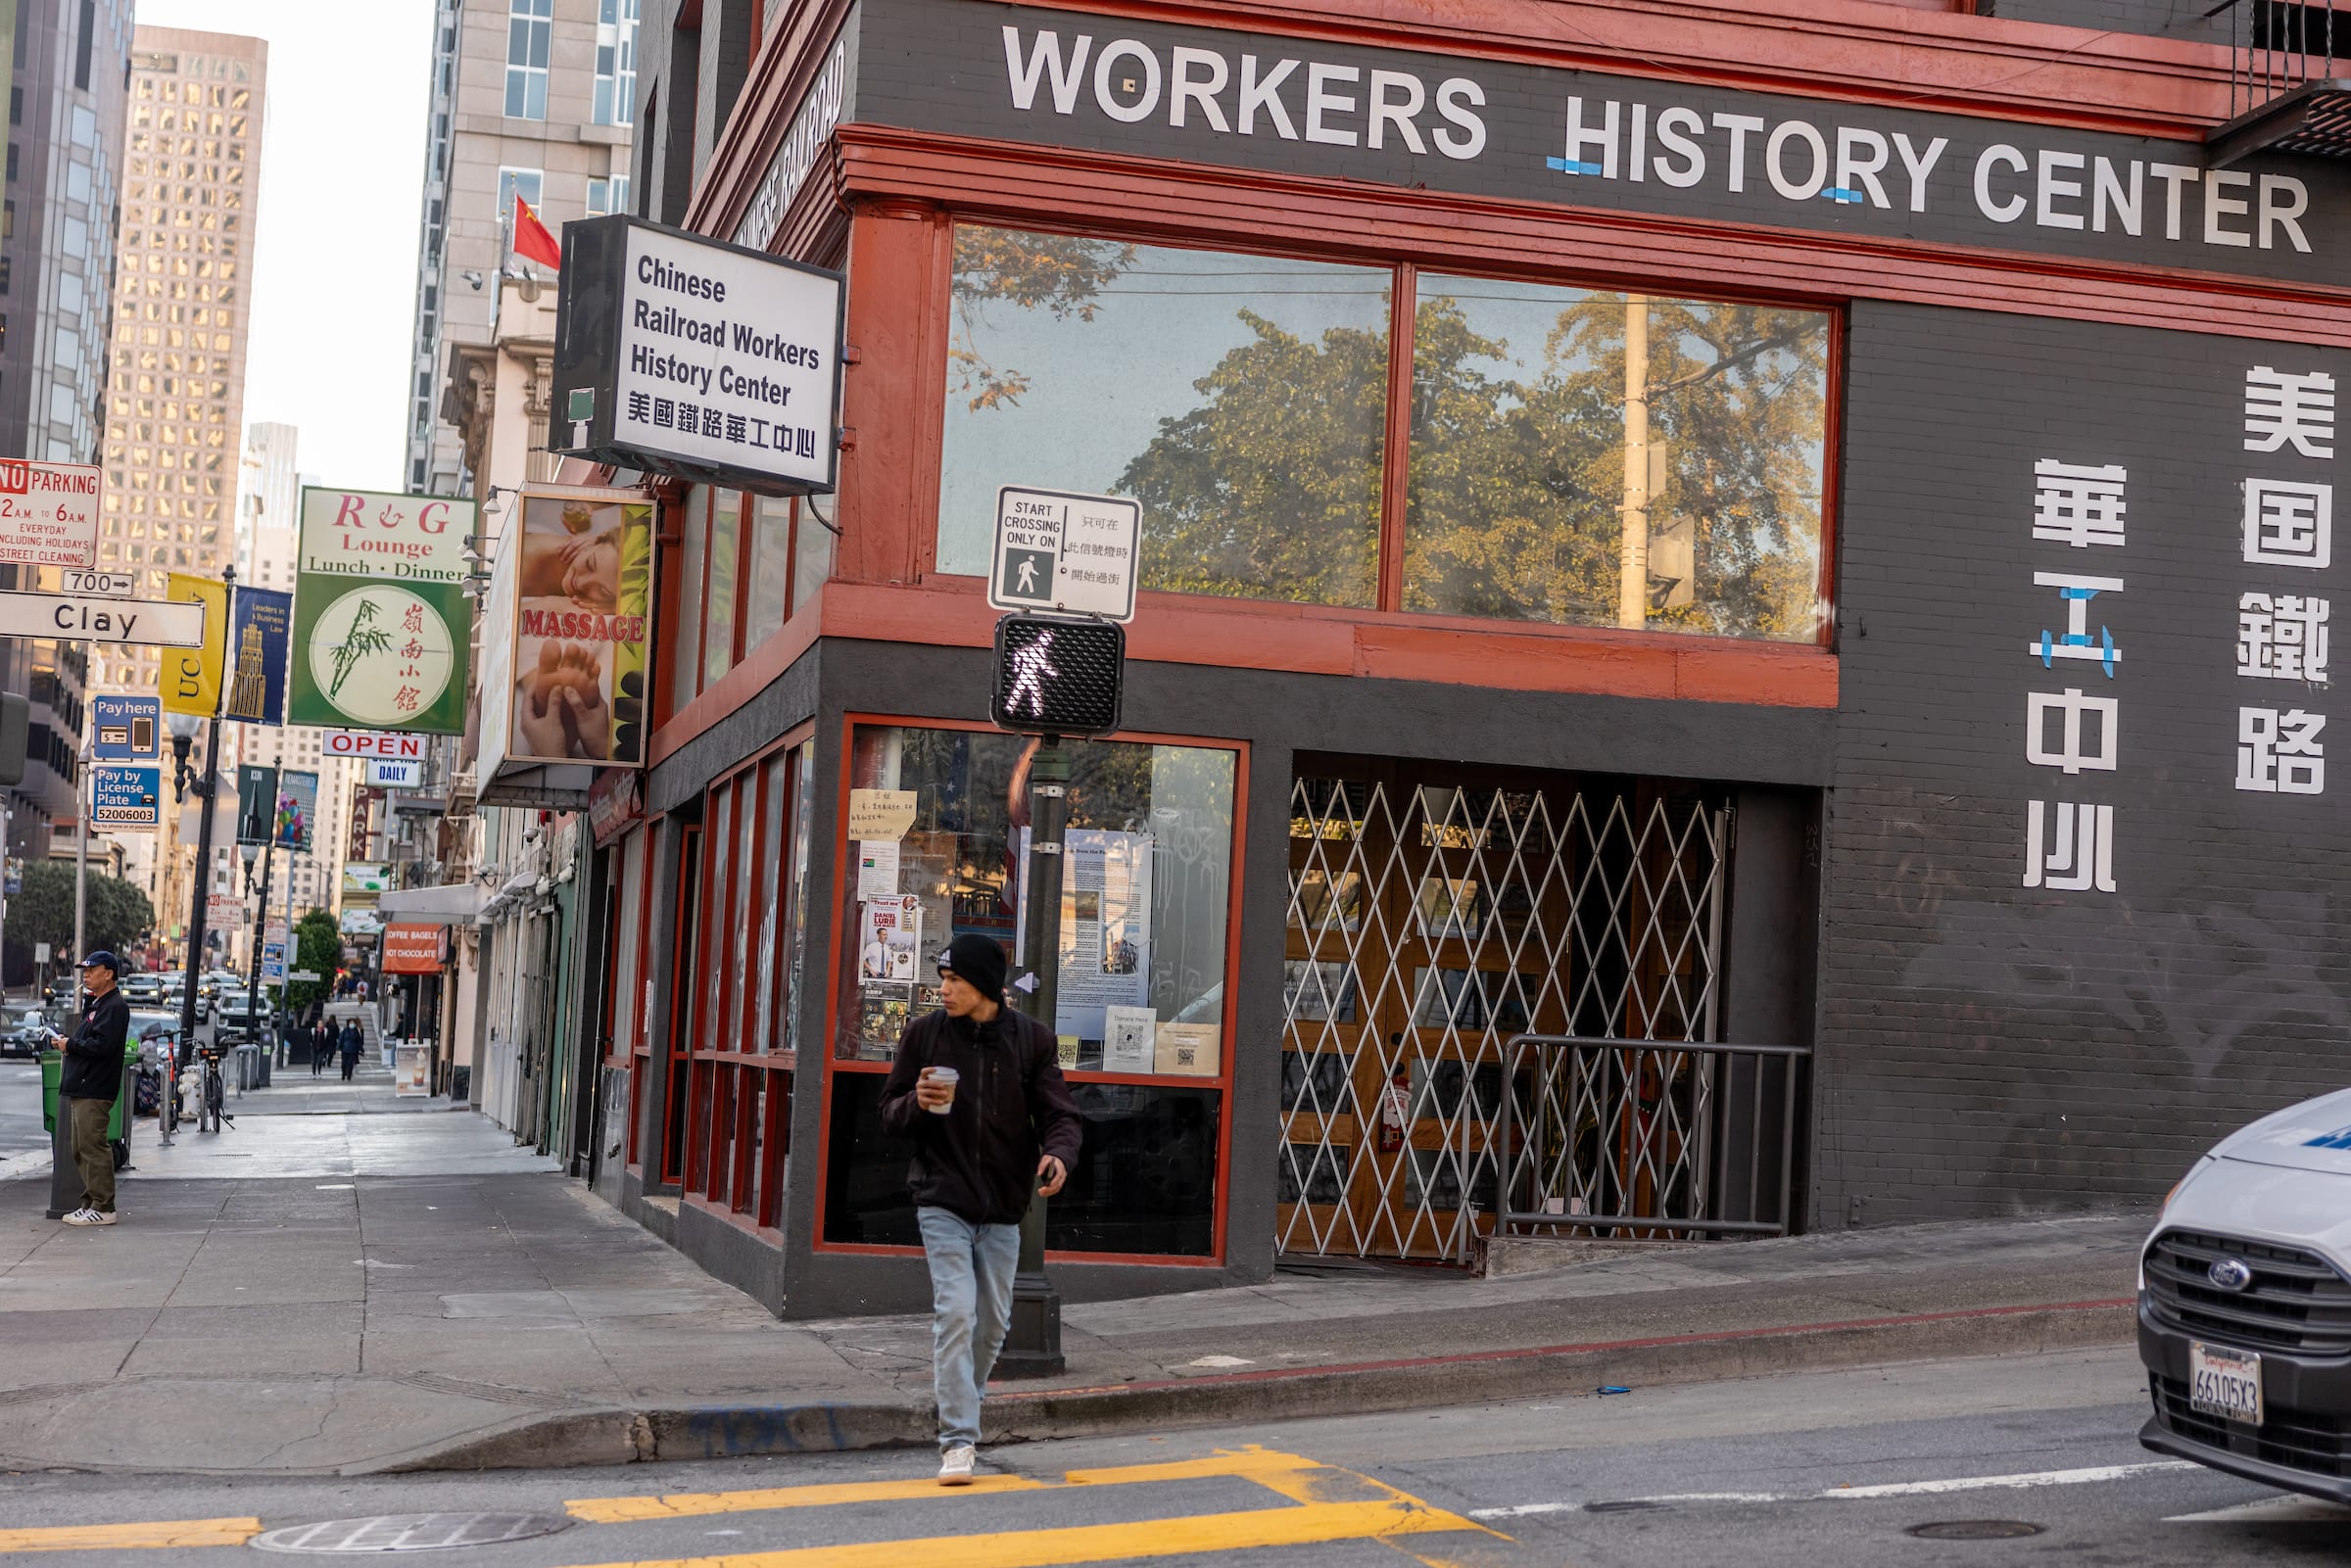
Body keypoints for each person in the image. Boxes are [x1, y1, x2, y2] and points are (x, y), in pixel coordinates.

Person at [878, 933, 1080, 1486]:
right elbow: (888, 1114)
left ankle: (963, 1400)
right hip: (941, 1197)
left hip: (1003, 1206)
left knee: (991, 1326)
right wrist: (915, 1106)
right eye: (942, 979)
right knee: (957, 1312)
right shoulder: (924, 1035)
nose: (943, 990)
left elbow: (1060, 1114)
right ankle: (958, 1441)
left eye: (954, 981)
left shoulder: (1031, 1041)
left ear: (985, 987)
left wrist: (1057, 1155)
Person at [53, 952, 129, 1227]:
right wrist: (68, 1040)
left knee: (93, 1147)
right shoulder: (98, 1004)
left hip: (95, 1086)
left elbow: (102, 1045)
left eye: (91, 970)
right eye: (84, 971)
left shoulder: (115, 1006)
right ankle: (90, 1202)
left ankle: (103, 1205)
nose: (86, 975)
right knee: (80, 1148)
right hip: (83, 1084)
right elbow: (89, 1038)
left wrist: (69, 1046)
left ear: (108, 973)